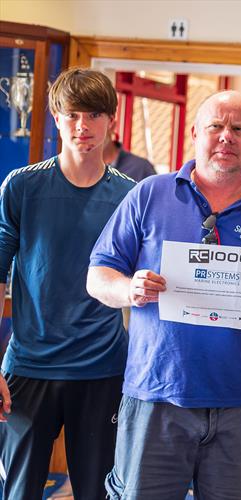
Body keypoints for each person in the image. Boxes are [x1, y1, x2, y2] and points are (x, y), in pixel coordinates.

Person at [86, 90, 241, 499]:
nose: (226, 136)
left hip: (238, 403)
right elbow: (98, 275)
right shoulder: (149, 194)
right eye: (216, 126)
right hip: (155, 397)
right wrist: (128, 288)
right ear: (194, 133)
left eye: (239, 129)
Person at [0, 68, 135, 500]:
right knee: (20, 492)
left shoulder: (132, 197)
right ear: (57, 118)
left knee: (97, 492)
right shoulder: (22, 187)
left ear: (111, 120)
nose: (83, 127)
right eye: (73, 114)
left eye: (94, 114)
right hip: (28, 367)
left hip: (103, 370)